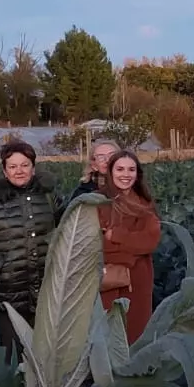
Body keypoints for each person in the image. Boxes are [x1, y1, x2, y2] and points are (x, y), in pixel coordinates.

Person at [0, 141, 63, 350]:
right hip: (8, 290)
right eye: (13, 166)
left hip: (47, 287)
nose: (19, 171)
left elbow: (65, 230)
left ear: (33, 167)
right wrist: (0, 266)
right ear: (4, 170)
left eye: (24, 165)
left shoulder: (49, 197)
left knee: (47, 350)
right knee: (13, 352)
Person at [96, 150, 162, 343]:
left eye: (131, 169)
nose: (126, 174)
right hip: (105, 281)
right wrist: (129, 253)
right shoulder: (98, 202)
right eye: (120, 169)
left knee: (134, 337)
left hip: (137, 282)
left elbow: (149, 241)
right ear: (110, 172)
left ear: (137, 173)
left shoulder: (144, 204)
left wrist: (116, 235)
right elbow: (95, 243)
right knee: (105, 338)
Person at [70, 139, 122, 203]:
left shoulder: (134, 187)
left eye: (112, 155)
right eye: (101, 157)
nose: (107, 160)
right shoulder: (83, 194)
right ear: (94, 166)